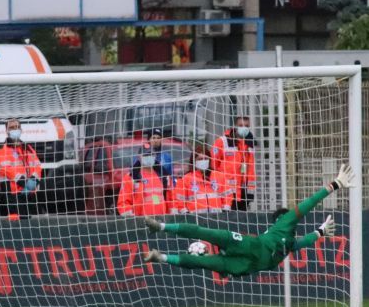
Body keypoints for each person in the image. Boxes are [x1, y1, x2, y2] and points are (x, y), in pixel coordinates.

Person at [143, 165, 354, 276]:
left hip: (243, 265)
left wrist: (320, 232)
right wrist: (334, 185)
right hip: (247, 247)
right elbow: (309, 203)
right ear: (281, 219)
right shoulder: (284, 225)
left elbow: (300, 243)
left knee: (202, 261)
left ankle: (160, 256)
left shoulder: (286, 242)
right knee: (206, 234)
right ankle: (161, 226)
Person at [0, 118, 42, 220]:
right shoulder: (1, 150)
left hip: (29, 193)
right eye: (11, 127)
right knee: (14, 225)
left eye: (17, 127)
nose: (15, 129)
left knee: (31, 223)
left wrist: (33, 180)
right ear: (6, 131)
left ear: (21, 129)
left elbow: (37, 165)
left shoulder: (28, 148)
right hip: (12, 195)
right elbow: (6, 169)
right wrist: (25, 182)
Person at [212, 115, 257, 211]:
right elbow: (213, 166)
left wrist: (250, 191)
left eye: (246, 126)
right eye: (241, 125)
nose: (244, 128)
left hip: (243, 191)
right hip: (226, 191)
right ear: (235, 126)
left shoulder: (249, 143)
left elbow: (250, 169)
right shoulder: (222, 141)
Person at [171, 144, 233, 213]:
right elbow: (179, 200)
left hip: (217, 219)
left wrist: (225, 210)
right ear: (194, 161)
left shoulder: (219, 176)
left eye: (206, 159)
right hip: (195, 220)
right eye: (200, 159)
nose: (203, 161)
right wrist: (186, 213)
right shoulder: (185, 179)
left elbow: (228, 195)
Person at [118, 142, 169, 217]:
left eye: (151, 155)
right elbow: (123, 202)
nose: (149, 157)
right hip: (141, 222)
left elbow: (168, 197)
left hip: (161, 221)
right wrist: (131, 219)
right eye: (145, 155)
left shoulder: (162, 175)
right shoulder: (131, 177)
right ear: (139, 157)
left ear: (155, 156)